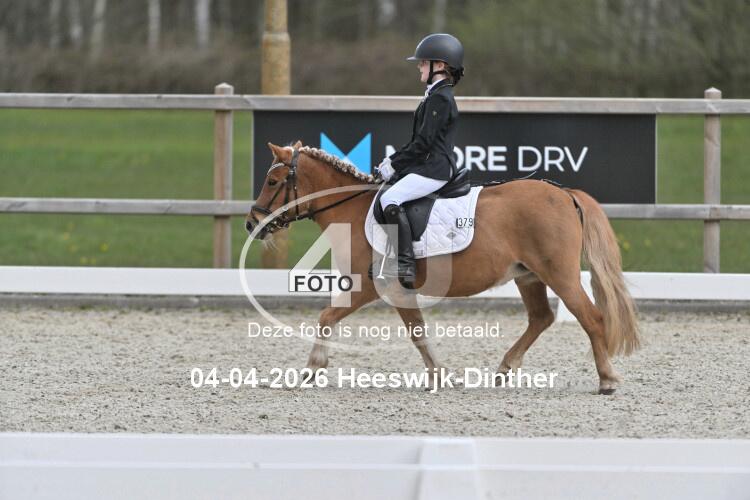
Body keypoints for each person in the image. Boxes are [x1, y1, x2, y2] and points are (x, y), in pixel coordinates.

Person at [372, 33, 465, 286]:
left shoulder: (440, 98)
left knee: (389, 199)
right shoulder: (435, 95)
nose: (419, 66)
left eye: (423, 62)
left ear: (440, 65)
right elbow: (419, 143)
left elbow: (423, 143)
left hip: (435, 169)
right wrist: (394, 162)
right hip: (428, 166)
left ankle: (405, 263)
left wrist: (394, 163)